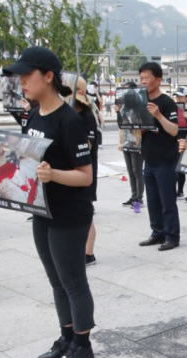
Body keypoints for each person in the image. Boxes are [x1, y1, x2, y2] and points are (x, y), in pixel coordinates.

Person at [0, 46, 96, 358]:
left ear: (48, 76)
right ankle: (67, 336)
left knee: (73, 282)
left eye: (26, 75)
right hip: (42, 211)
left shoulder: (69, 120)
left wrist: (54, 174)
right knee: (56, 281)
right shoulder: (33, 113)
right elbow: (26, 156)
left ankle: (83, 344)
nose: (22, 82)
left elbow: (85, 175)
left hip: (69, 215)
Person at [136, 62, 183, 251]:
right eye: (141, 78)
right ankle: (157, 233)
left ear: (158, 80)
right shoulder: (140, 102)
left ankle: (172, 236)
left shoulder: (167, 103)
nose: (143, 81)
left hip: (166, 160)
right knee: (153, 200)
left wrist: (158, 115)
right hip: (149, 159)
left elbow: (174, 130)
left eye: (146, 78)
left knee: (167, 201)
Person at [70, 77, 101, 266]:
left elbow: (87, 146)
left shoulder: (86, 115)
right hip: (71, 171)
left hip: (84, 169)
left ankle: (88, 253)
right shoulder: (69, 115)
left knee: (85, 213)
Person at [116, 82, 145, 209]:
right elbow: (121, 126)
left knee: (137, 171)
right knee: (130, 172)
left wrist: (141, 145)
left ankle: (139, 199)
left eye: (127, 90)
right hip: (127, 142)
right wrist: (120, 142)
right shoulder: (124, 107)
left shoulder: (140, 107)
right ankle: (133, 196)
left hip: (137, 143)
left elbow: (144, 126)